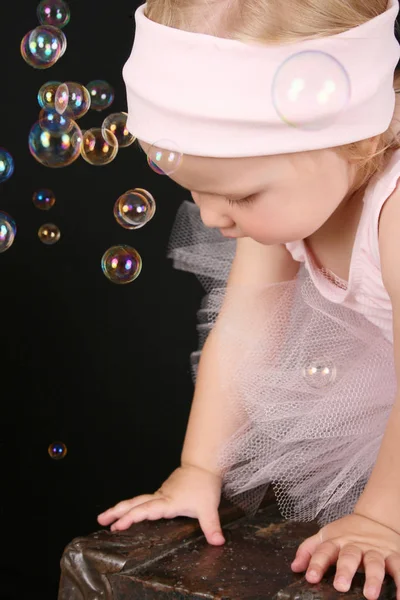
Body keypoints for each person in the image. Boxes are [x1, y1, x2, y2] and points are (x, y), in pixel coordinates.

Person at [98, 0, 400, 597]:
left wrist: (381, 518)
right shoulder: (294, 203)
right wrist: (199, 468)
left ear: (355, 141)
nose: (213, 219)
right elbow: (244, 331)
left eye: (242, 196)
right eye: (196, 192)